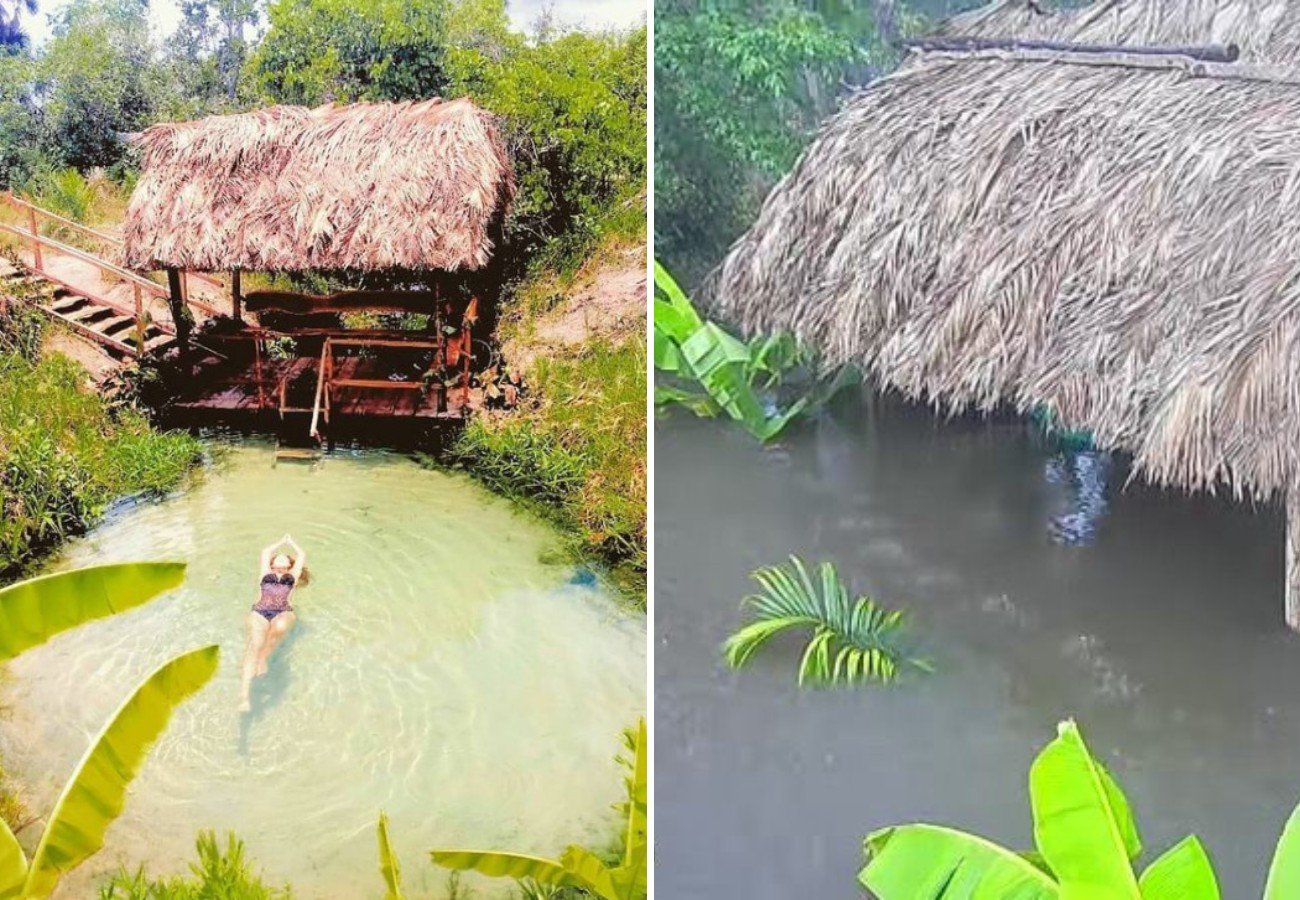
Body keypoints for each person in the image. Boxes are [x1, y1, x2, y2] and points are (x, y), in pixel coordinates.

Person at [239, 534, 305, 712]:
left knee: (278, 628)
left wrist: (292, 543)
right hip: (260, 611)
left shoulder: (293, 576)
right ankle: (244, 697)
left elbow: (301, 555)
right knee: (254, 645)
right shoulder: (265, 573)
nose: (280, 569)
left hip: (283, 612)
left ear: (289, 567)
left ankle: (263, 658)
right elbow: (265, 552)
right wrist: (281, 542)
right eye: (276, 563)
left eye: (284, 565)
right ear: (272, 564)